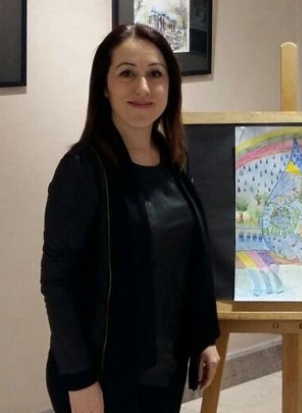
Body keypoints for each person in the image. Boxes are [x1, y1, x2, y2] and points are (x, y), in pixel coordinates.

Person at [40, 24, 220, 413]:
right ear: (104, 87)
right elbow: (58, 282)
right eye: (127, 73)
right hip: (103, 375)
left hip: (164, 370)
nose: (143, 87)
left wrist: (203, 337)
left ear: (170, 86)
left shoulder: (174, 161)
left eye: (155, 73)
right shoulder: (82, 170)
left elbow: (185, 263)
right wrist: (79, 379)